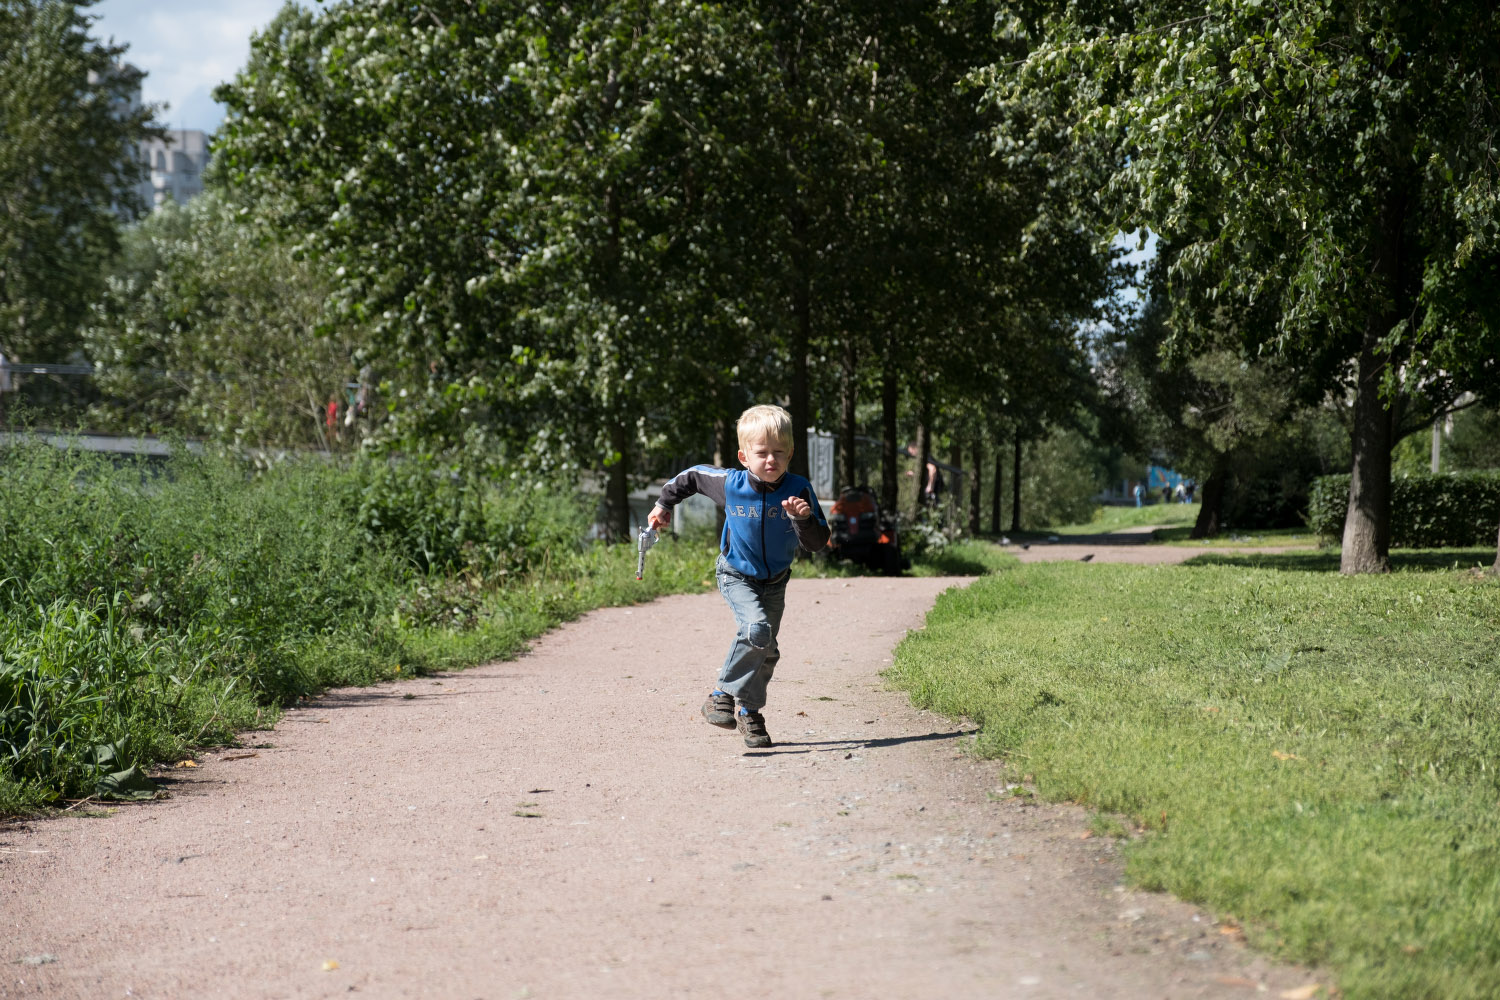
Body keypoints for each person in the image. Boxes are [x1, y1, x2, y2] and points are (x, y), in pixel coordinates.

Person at [647, 404, 830, 748]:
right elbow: (690, 476)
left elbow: (817, 542)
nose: (771, 459)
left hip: (775, 581)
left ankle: (749, 713)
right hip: (736, 574)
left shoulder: (798, 489)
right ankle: (720, 694)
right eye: (762, 453)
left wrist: (803, 519)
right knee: (756, 630)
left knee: (767, 649)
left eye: (779, 452)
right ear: (744, 457)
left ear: (791, 453)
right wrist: (663, 504)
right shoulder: (731, 484)